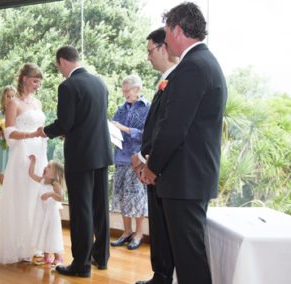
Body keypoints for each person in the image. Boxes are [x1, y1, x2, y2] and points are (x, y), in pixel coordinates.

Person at [135, 3, 228, 284]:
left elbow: (174, 127)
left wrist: (152, 167)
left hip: (185, 178)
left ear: (177, 29)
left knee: (190, 263)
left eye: (166, 31)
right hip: (191, 177)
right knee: (188, 259)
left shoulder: (193, 67)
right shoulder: (204, 62)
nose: (166, 38)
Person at [31, 46, 113, 277]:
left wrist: (44, 131)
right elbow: (90, 119)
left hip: (81, 155)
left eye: (58, 66)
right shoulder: (100, 83)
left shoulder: (68, 86)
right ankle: (101, 257)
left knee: (81, 210)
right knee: (100, 208)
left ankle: (81, 265)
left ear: (62, 61)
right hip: (101, 153)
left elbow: (65, 123)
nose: (59, 70)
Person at [130, 28, 178, 283]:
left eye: (150, 51)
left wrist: (146, 160)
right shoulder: (165, 82)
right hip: (153, 165)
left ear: (163, 48)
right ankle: (160, 275)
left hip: (163, 169)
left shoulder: (177, 82)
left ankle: (162, 276)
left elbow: (167, 129)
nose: (148, 57)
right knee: (158, 227)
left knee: (165, 229)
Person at [0, 63, 48, 264]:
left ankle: (34, 245)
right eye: (35, 81)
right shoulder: (13, 103)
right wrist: (32, 134)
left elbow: (40, 127)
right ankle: (18, 245)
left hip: (39, 153)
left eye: (39, 82)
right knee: (22, 197)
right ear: (25, 79)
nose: (37, 86)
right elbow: (9, 132)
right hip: (22, 153)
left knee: (36, 197)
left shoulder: (38, 103)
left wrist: (43, 135)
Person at [110, 74, 150, 250]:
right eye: (123, 90)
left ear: (137, 89)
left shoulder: (147, 108)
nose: (125, 93)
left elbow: (148, 134)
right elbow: (113, 126)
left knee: (137, 198)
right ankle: (126, 232)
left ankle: (139, 234)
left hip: (137, 160)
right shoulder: (121, 109)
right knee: (122, 197)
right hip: (120, 158)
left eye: (127, 91)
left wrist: (125, 129)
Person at [28, 154, 65, 267]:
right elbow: (31, 175)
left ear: (55, 174)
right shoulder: (43, 180)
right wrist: (33, 162)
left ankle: (58, 257)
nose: (45, 167)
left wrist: (50, 194)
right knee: (43, 233)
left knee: (52, 235)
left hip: (51, 215)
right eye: (46, 165)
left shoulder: (55, 184)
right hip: (42, 213)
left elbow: (61, 197)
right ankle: (46, 257)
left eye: (49, 167)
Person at [0, 85, 17, 184]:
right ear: (4, 98)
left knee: (13, 174)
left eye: (12, 96)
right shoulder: (0, 113)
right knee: (2, 174)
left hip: (13, 146)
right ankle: (5, 197)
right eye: (8, 96)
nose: (10, 99)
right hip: (2, 146)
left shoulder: (18, 112)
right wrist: (0, 131)